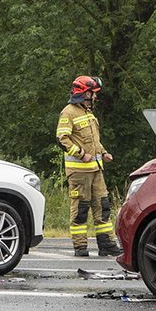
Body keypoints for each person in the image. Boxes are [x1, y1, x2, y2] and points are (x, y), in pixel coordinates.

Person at [56, 75, 122, 258]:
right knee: (81, 210)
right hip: (79, 172)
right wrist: (81, 154)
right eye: (92, 94)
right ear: (84, 93)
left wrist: (104, 152)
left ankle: (106, 245)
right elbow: (62, 139)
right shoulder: (68, 112)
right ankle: (80, 247)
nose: (95, 97)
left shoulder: (88, 113)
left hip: (96, 170)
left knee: (103, 206)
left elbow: (93, 141)